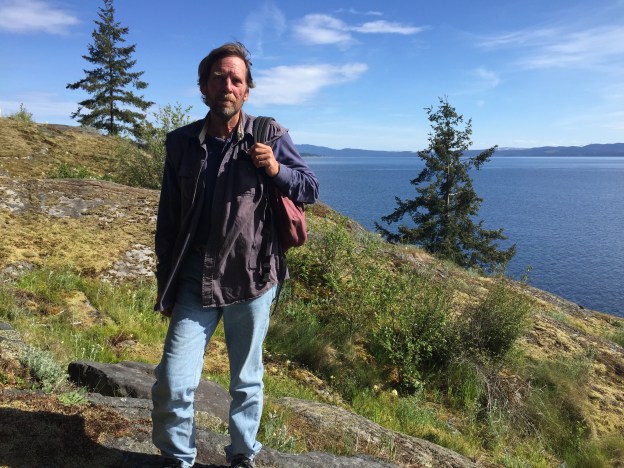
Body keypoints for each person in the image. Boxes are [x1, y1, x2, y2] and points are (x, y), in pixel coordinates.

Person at [151, 42, 319, 468]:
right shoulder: (181, 143)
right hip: (195, 276)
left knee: (246, 380)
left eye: (236, 79)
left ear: (246, 90)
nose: (227, 85)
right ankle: (177, 458)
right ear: (204, 87)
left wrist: (276, 169)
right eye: (218, 78)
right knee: (172, 380)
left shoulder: (269, 134)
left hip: (253, 275)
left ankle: (242, 455)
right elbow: (168, 220)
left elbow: (310, 188)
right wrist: (165, 282)